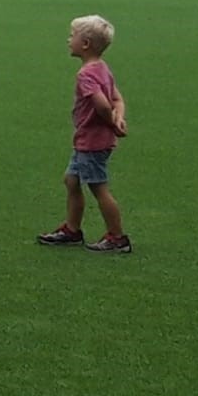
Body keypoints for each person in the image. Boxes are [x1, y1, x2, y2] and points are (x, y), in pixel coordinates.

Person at [38, 15, 131, 254]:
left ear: (86, 44)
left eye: (72, 36)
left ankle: (117, 237)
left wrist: (111, 123)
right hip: (88, 141)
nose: (69, 40)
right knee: (71, 180)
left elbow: (102, 105)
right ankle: (72, 230)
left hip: (92, 142)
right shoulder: (103, 68)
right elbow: (117, 99)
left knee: (99, 188)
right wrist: (119, 118)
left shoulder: (86, 75)